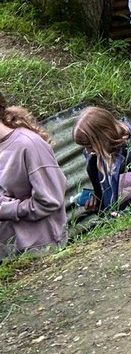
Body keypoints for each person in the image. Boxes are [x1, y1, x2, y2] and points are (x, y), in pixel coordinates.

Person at [0, 92, 67, 259]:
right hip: (6, 255)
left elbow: (50, 200)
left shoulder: (29, 145)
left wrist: (7, 209)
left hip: (39, 252)